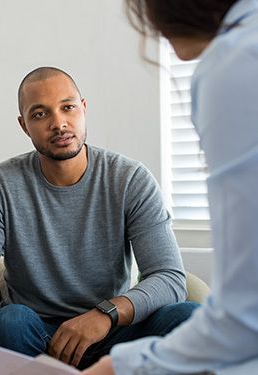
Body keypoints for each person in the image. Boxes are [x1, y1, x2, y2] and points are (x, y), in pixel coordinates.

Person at [0, 66, 199, 371]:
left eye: (68, 107)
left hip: (112, 330)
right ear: (24, 125)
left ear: (83, 109)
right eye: (40, 114)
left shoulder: (130, 179)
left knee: (187, 316)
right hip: (38, 335)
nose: (59, 123)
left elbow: (169, 277)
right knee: (10, 321)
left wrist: (104, 314)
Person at [84, 1, 258, 374]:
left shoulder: (234, 64)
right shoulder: (1, 183)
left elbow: (244, 315)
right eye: (39, 113)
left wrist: (119, 363)